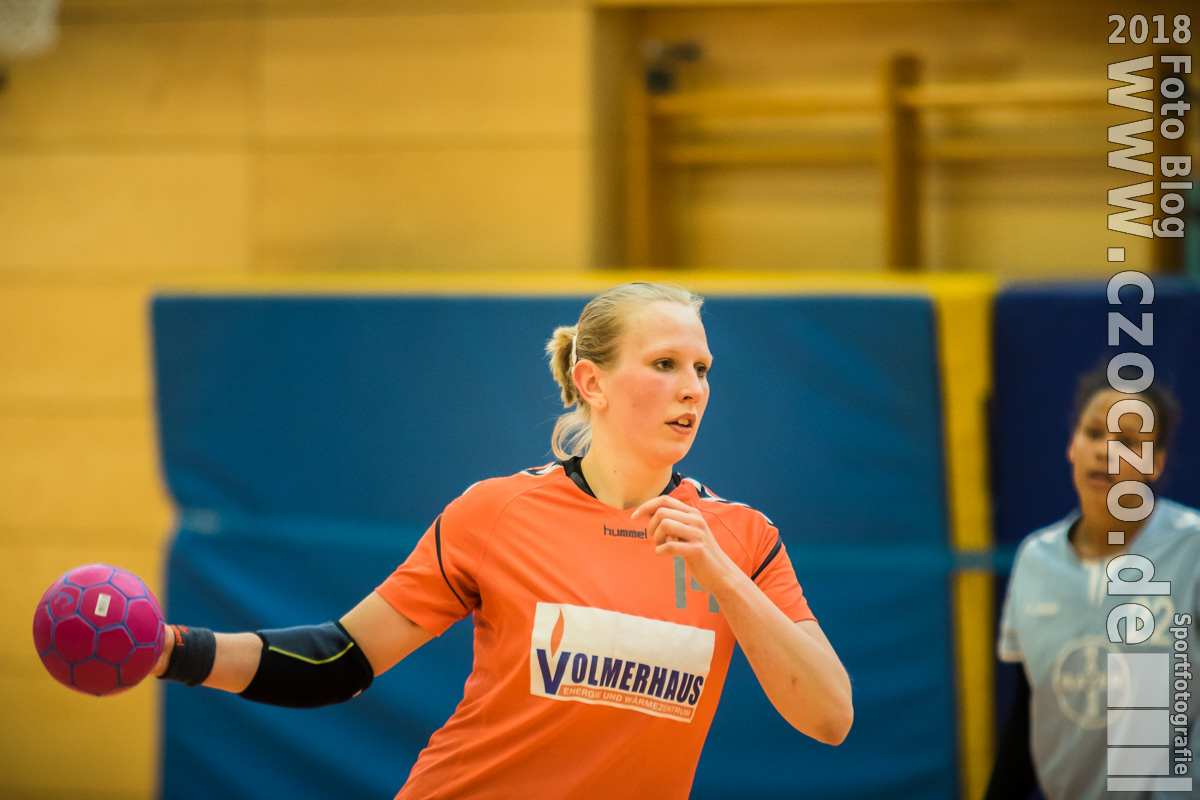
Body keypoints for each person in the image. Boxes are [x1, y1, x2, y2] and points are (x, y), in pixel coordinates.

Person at [153, 281, 853, 799]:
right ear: (592, 382)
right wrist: (170, 651)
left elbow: (830, 717)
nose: (692, 388)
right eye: (665, 364)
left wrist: (723, 576)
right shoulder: (496, 512)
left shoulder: (741, 538)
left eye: (702, 368)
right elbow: (337, 661)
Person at [986, 365, 1199, 800]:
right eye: (1094, 433)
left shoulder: (1191, 549)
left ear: (1155, 462)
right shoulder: (1035, 558)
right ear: (1072, 446)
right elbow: (1027, 713)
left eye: (1128, 442)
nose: (1105, 451)